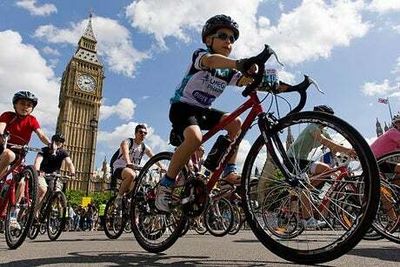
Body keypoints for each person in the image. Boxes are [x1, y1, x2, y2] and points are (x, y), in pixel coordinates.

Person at [155, 14, 262, 212]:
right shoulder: (201, 55)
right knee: (195, 138)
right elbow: (212, 61)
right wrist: (239, 63)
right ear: (208, 39)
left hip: (204, 110)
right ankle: (166, 185)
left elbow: (249, 81)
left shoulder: (228, 71)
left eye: (232, 39)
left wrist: (281, 85)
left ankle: (227, 171)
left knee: (235, 123)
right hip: (182, 107)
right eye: (222, 36)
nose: (228, 42)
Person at [285, 105, 356, 228]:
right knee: (305, 187)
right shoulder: (313, 127)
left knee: (327, 170)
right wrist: (348, 150)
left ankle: (306, 191)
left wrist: (347, 156)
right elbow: (325, 142)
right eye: (328, 118)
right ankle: (307, 219)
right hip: (292, 160)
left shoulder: (323, 131)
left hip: (304, 160)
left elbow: (333, 147)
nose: (330, 121)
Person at [0, 91, 51, 229]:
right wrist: (1, 135)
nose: (25, 107)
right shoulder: (8, 115)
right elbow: (1, 127)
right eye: (22, 103)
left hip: (20, 154)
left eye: (29, 105)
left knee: (22, 182)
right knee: (9, 155)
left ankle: (12, 216)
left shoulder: (32, 120)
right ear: (15, 105)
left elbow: (40, 134)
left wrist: (50, 145)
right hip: (4, 147)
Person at [111, 124, 156, 206]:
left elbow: (154, 158)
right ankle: (119, 197)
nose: (143, 134)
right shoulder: (127, 142)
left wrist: (162, 167)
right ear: (135, 133)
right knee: (131, 174)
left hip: (134, 171)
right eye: (141, 132)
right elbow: (125, 152)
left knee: (140, 185)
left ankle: (128, 202)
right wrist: (128, 162)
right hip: (120, 167)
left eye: (145, 133)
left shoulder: (144, 147)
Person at [33, 133, 75, 219]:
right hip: (42, 174)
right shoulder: (44, 150)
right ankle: (35, 213)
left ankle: (49, 208)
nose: (59, 142)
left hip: (54, 176)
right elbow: (37, 161)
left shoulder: (63, 152)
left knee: (56, 191)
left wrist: (72, 173)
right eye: (57, 140)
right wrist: (37, 171)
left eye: (61, 141)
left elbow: (69, 163)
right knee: (43, 190)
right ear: (52, 141)